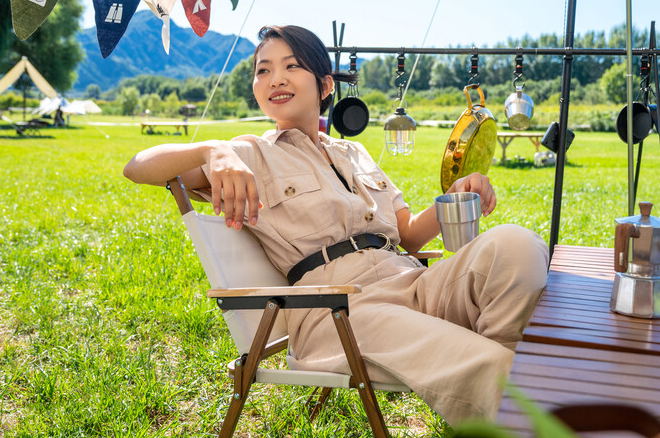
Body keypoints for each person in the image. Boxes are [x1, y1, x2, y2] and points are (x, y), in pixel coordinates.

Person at [123, 25, 549, 424]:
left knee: (516, 244)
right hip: (342, 311)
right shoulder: (249, 153)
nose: (275, 79)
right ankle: (519, 402)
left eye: (292, 66)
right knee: (487, 366)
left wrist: (452, 199)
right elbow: (137, 166)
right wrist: (212, 150)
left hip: (413, 283)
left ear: (325, 85)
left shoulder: (355, 154)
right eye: (263, 70)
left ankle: (502, 381)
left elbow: (408, 234)